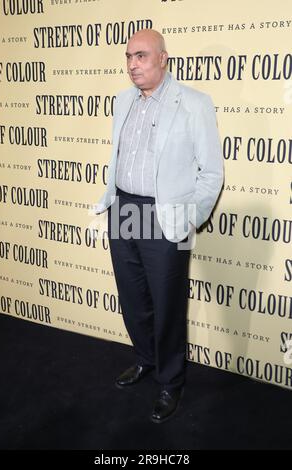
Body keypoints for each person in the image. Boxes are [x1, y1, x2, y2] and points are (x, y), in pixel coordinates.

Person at [94, 29, 224, 423]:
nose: (133, 64)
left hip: (165, 217)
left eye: (142, 56)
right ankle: (145, 360)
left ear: (164, 58)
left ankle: (171, 381)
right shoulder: (122, 101)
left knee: (167, 306)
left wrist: (187, 218)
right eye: (129, 56)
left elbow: (212, 173)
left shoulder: (194, 104)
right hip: (124, 210)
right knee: (133, 300)